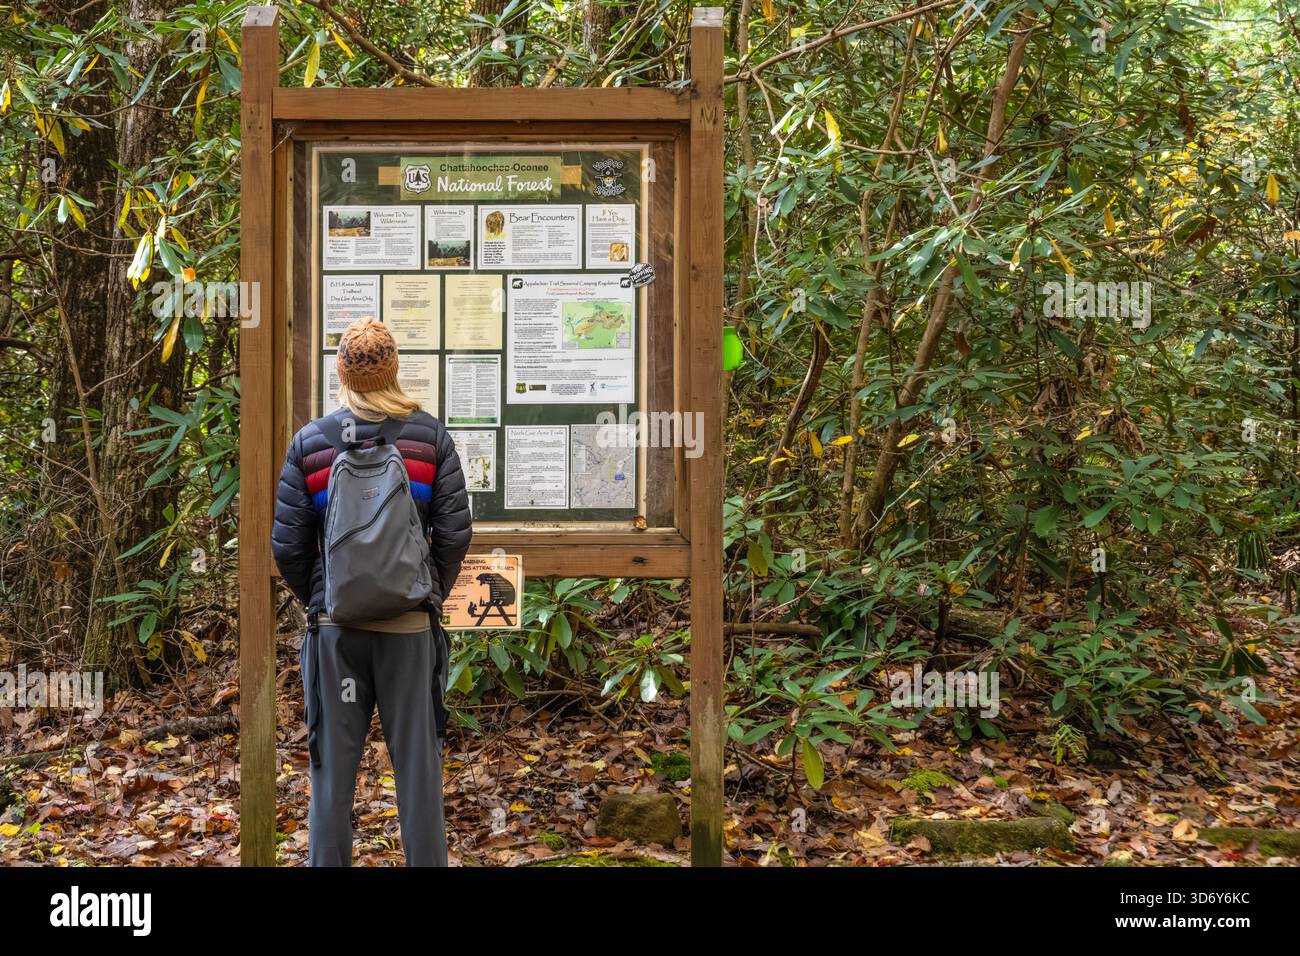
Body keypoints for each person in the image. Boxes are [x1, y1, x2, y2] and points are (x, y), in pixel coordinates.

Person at [271, 318, 471, 866]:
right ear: (394, 368)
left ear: (342, 372)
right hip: (408, 633)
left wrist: (326, 597)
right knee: (419, 775)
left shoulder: (311, 443)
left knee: (331, 777)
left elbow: (288, 547)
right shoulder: (428, 438)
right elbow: (454, 534)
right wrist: (424, 592)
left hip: (337, 637)